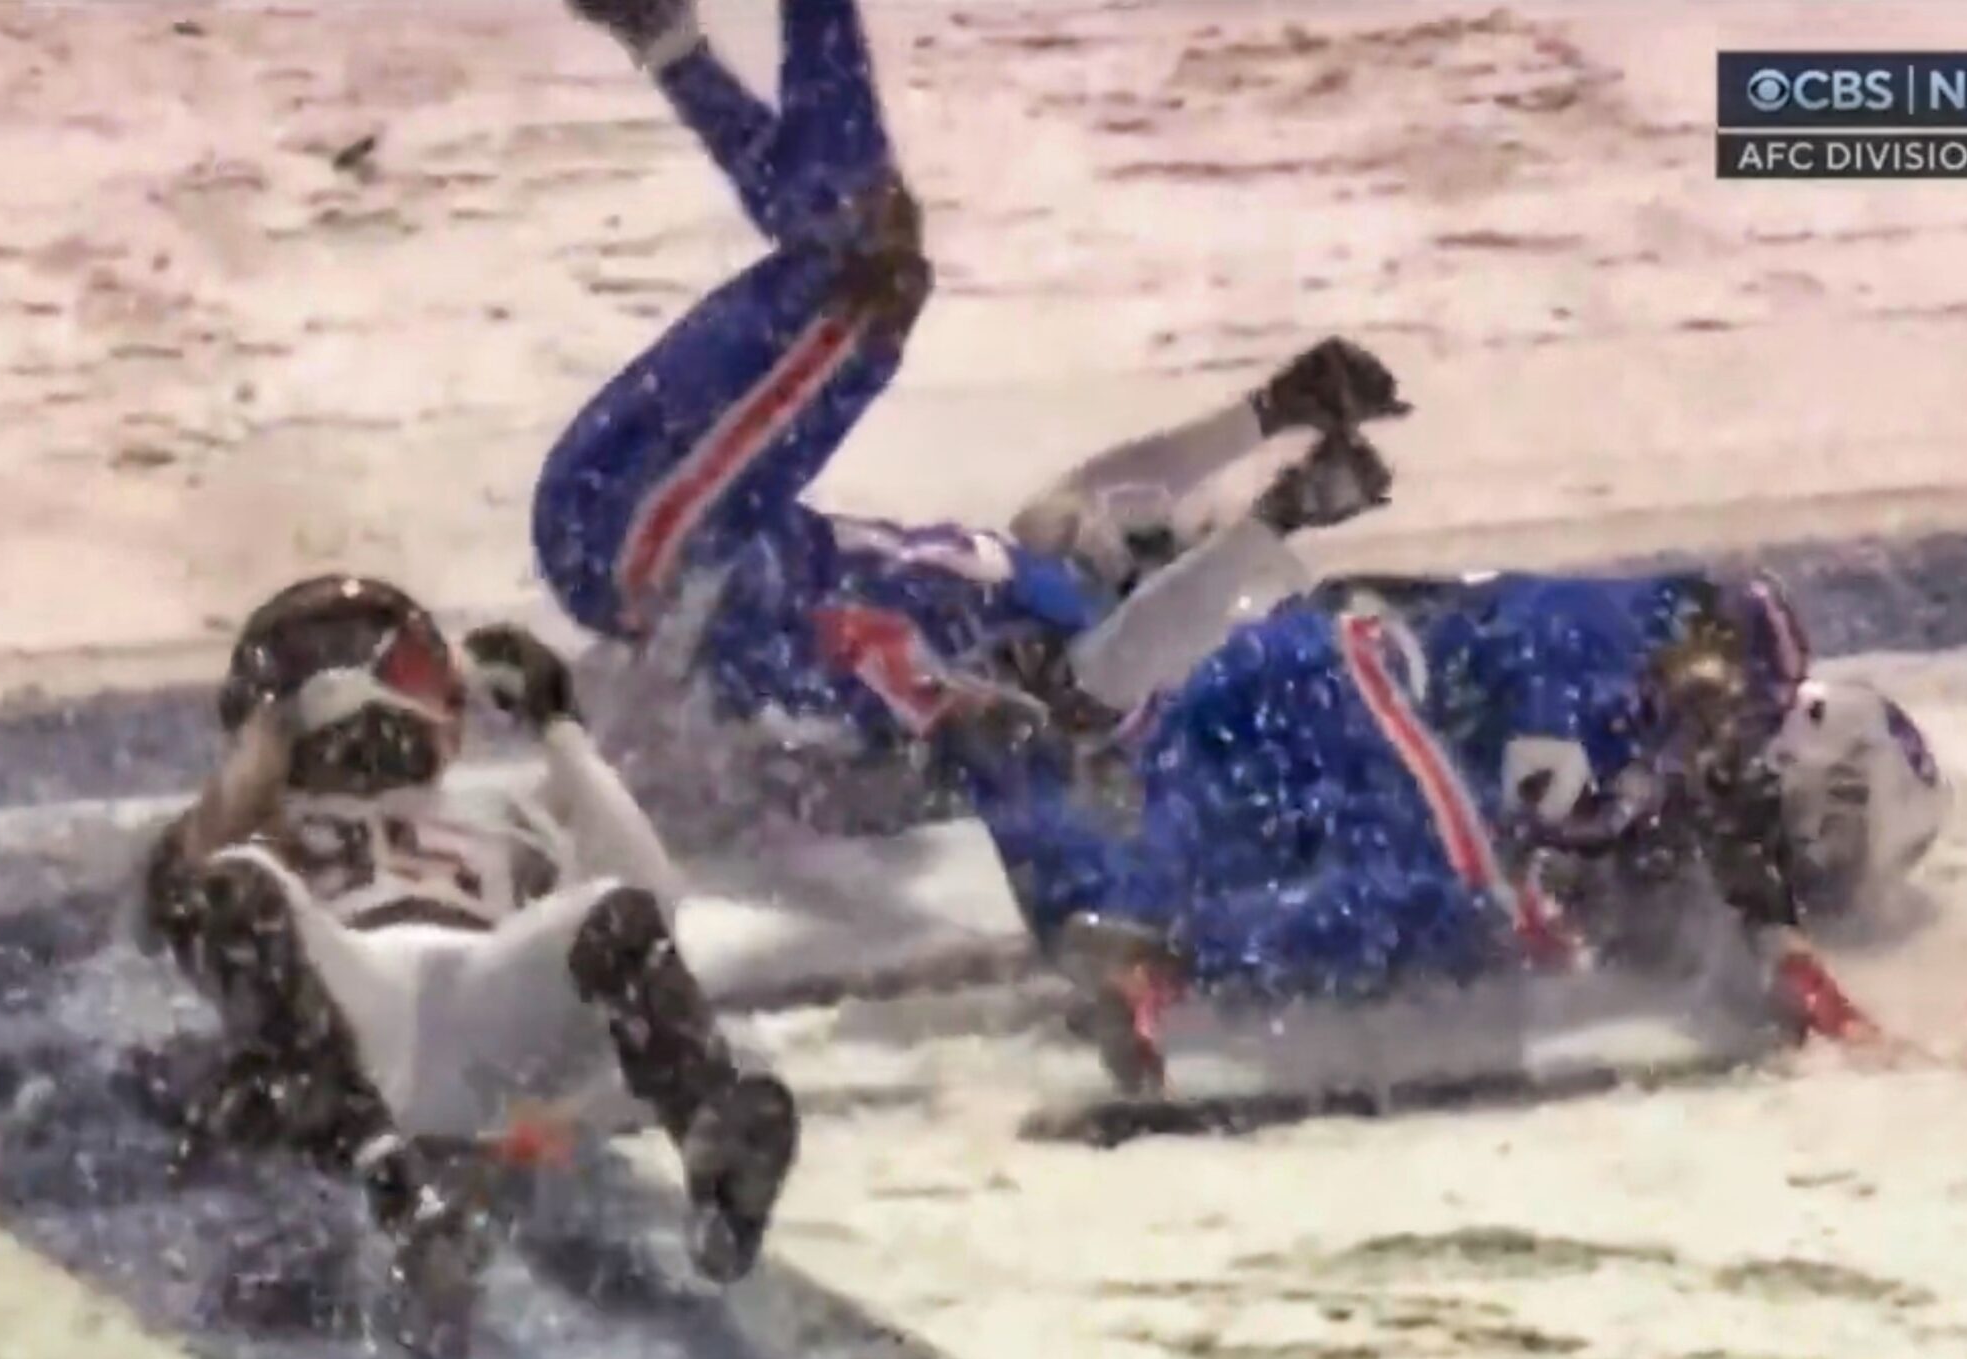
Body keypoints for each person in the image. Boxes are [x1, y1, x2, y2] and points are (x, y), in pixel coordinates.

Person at [540, 0, 1408, 778]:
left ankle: (677, 41)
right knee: (837, 248)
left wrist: (1280, 517)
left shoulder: (1085, 685)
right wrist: (1267, 414)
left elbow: (1132, 649)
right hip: (643, 511)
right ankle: (667, 39)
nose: (1130, 516)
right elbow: (1103, 492)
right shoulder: (1040, 570)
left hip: (653, 555)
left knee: (864, 261)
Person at [936, 476, 1952, 1094]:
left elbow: (1725, 836)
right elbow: (1544, 789)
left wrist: (1806, 977)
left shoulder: (1682, 709)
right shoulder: (1607, 639)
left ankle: (1013, 781)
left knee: (1226, 885)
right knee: (1474, 905)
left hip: (1283, 711)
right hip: (1336, 680)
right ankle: (1170, 962)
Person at [132, 575, 798, 1359]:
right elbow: (171, 904)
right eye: (418, 668)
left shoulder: (503, 812)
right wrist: (267, 749)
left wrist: (561, 731)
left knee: (615, 914)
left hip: (489, 1020)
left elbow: (654, 903)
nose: (449, 692)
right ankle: (397, 1191)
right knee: (239, 891)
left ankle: (710, 1148)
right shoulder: (257, 827)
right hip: (351, 1017)